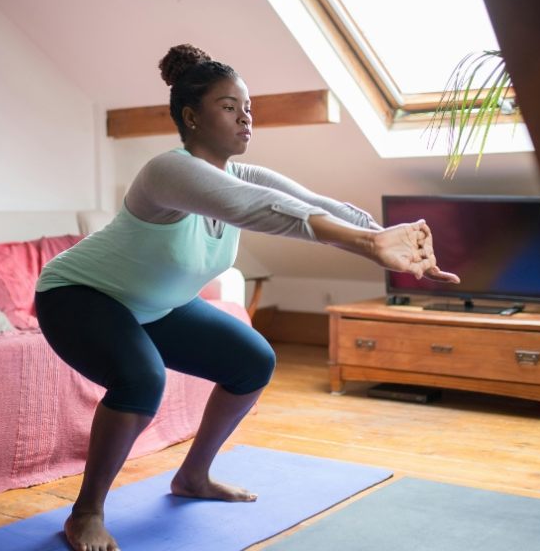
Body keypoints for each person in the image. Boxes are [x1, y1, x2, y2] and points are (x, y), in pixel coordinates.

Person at [34, 43, 460, 551]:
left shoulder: (241, 174)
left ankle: (193, 476)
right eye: (229, 107)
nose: (245, 119)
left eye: (248, 108)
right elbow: (259, 208)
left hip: (152, 305)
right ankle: (86, 514)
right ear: (191, 117)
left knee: (251, 360)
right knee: (140, 378)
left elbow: (313, 203)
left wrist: (392, 234)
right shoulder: (166, 172)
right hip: (78, 295)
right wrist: (370, 245)